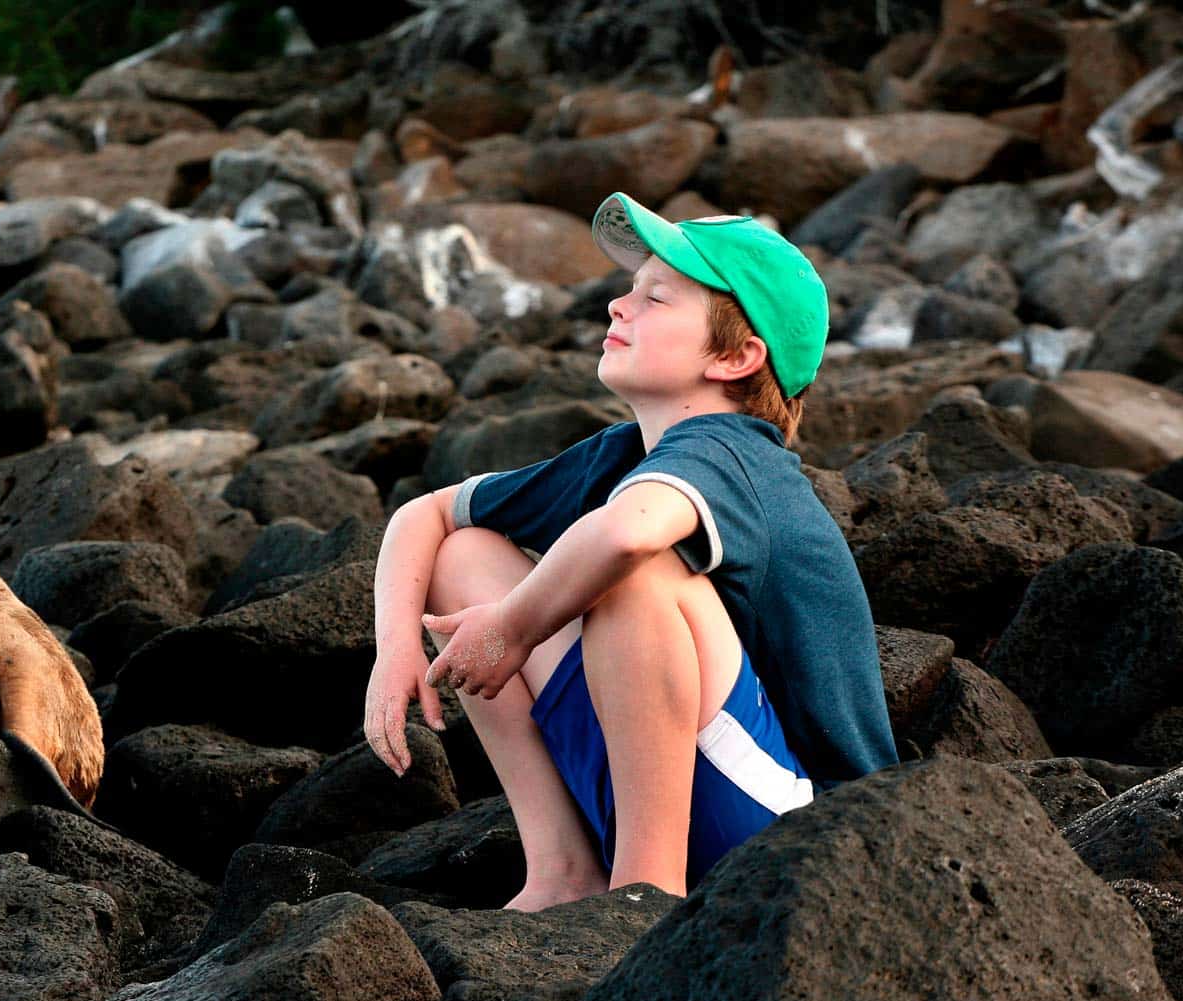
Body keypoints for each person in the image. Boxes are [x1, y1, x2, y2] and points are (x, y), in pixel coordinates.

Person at [363, 191, 897, 912]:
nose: (618, 307)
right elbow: (424, 515)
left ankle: (641, 896)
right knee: (466, 554)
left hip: (806, 841)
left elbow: (627, 535)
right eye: (629, 290)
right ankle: (563, 875)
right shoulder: (624, 457)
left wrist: (512, 629)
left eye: (657, 298)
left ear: (738, 358)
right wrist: (395, 648)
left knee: (634, 575)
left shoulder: (733, 454)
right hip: (696, 791)